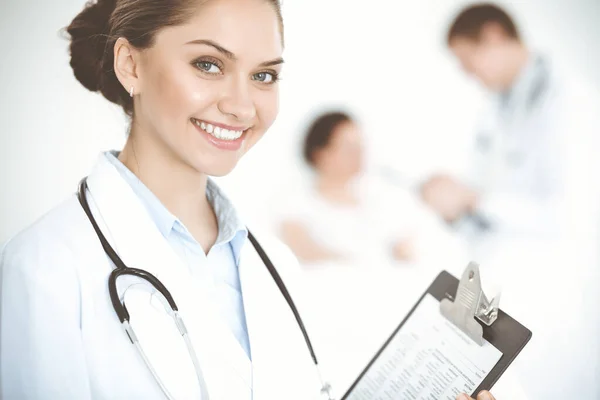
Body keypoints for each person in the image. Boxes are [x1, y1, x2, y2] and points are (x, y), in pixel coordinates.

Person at [0, 1, 508, 399]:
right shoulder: (43, 269)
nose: (243, 105)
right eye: (208, 64)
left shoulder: (274, 266)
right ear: (130, 65)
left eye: (264, 75)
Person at [421, 3, 600, 399]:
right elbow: (490, 196)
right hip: (506, 282)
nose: (466, 73)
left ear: (494, 36)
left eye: (468, 60)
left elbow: (573, 213)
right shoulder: (496, 109)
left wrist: (473, 199)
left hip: (558, 291)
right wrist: (456, 203)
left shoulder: (571, 101)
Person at [277, 111, 464, 269]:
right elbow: (302, 252)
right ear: (321, 154)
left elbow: (412, 243)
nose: (359, 154)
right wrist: (368, 264)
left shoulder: (379, 195)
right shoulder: (295, 202)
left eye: (360, 146)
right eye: (349, 148)